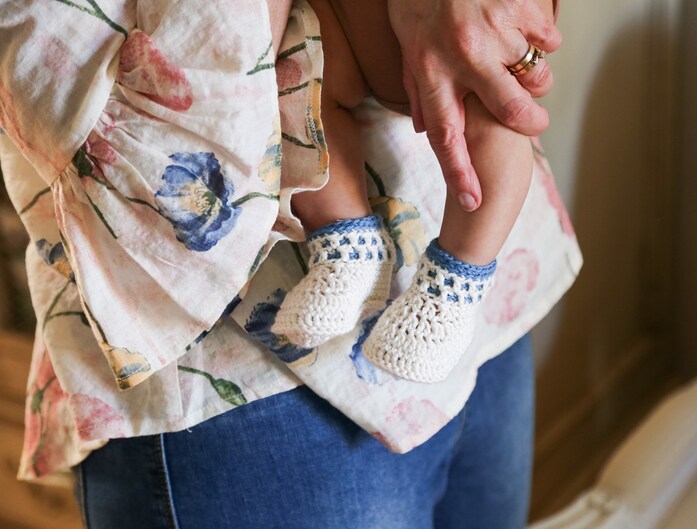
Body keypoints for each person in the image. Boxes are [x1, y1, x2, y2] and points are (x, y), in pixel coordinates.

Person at [0, 0, 582, 527]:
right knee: (304, 99)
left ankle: (455, 279)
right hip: (236, 366)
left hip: (487, 284)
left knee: (489, 125)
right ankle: (348, 243)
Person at [272, 0, 547, 383]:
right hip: (336, 19)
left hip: (465, 31)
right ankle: (349, 250)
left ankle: (449, 291)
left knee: (494, 124)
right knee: (299, 85)